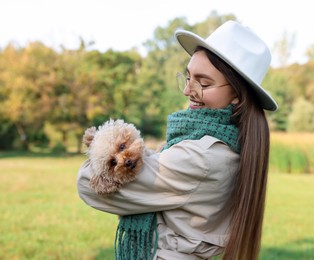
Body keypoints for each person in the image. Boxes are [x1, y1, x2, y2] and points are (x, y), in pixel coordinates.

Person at [77, 20, 278, 260]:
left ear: (238, 95)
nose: (187, 91)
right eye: (188, 77)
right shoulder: (229, 145)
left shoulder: (201, 156)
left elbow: (88, 183)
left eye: (203, 83)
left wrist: (105, 148)